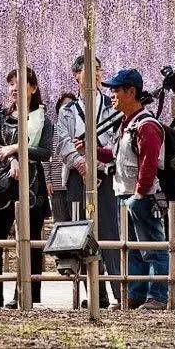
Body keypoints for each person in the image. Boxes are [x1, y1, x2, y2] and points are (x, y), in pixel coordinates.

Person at [91, 68, 168, 311]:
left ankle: (157, 296)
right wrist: (90, 151)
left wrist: (140, 193)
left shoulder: (147, 125)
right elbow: (116, 156)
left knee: (153, 247)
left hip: (143, 196)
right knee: (133, 248)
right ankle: (136, 295)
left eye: (115, 90)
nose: (111, 95)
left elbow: (149, 162)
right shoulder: (126, 124)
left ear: (131, 92)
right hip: (124, 193)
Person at [55, 54, 122, 309]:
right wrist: (81, 163)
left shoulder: (111, 105)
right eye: (88, 70)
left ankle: (118, 291)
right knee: (80, 232)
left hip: (105, 175)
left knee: (109, 231)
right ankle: (94, 293)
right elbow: (63, 143)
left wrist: (96, 160)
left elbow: (116, 140)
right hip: (76, 176)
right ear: (76, 75)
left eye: (98, 70)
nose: (94, 74)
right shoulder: (68, 110)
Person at [0, 66, 53, 309]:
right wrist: (12, 159)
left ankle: (27, 295)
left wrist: (16, 149)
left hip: (32, 185)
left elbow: (45, 152)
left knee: (30, 241)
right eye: (11, 83)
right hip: (2, 184)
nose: (14, 88)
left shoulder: (42, 120)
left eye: (21, 83)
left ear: (33, 88)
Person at [48, 92, 77, 223]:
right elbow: (46, 157)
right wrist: (47, 180)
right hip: (57, 182)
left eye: (70, 105)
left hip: (74, 180)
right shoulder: (52, 129)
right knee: (60, 222)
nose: (66, 108)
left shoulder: (79, 128)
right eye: (64, 105)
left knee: (76, 221)